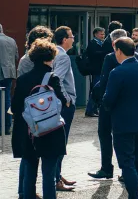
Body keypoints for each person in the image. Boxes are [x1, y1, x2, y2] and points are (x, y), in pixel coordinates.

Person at [12, 39, 67, 199]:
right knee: (49, 175)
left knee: (29, 173)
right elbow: (61, 102)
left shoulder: (23, 79)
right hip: (51, 131)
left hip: (30, 131)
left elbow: (16, 107)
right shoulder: (52, 77)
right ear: (51, 57)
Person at [88, 29, 138, 181]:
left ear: (114, 44)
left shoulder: (110, 58)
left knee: (105, 134)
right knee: (131, 142)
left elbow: (105, 80)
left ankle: (106, 168)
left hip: (111, 103)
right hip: (133, 107)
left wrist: (100, 101)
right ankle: (128, 171)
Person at [103, 37, 138, 199]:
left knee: (127, 163)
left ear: (119, 51)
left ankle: (134, 196)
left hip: (123, 123)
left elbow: (108, 99)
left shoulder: (117, 72)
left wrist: (105, 105)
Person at [52, 26, 77, 191]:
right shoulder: (63, 57)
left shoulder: (56, 54)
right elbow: (57, 79)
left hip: (58, 104)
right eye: (71, 36)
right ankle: (56, 179)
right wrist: (67, 99)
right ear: (64, 39)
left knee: (59, 141)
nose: (73, 38)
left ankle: (57, 175)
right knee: (61, 142)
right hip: (64, 105)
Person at [85, 27, 107, 117]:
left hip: (100, 69)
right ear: (95, 34)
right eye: (101, 34)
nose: (103, 36)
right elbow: (93, 54)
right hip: (96, 70)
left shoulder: (102, 43)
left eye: (103, 34)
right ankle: (90, 109)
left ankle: (95, 108)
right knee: (95, 89)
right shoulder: (92, 43)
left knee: (99, 90)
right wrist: (104, 52)